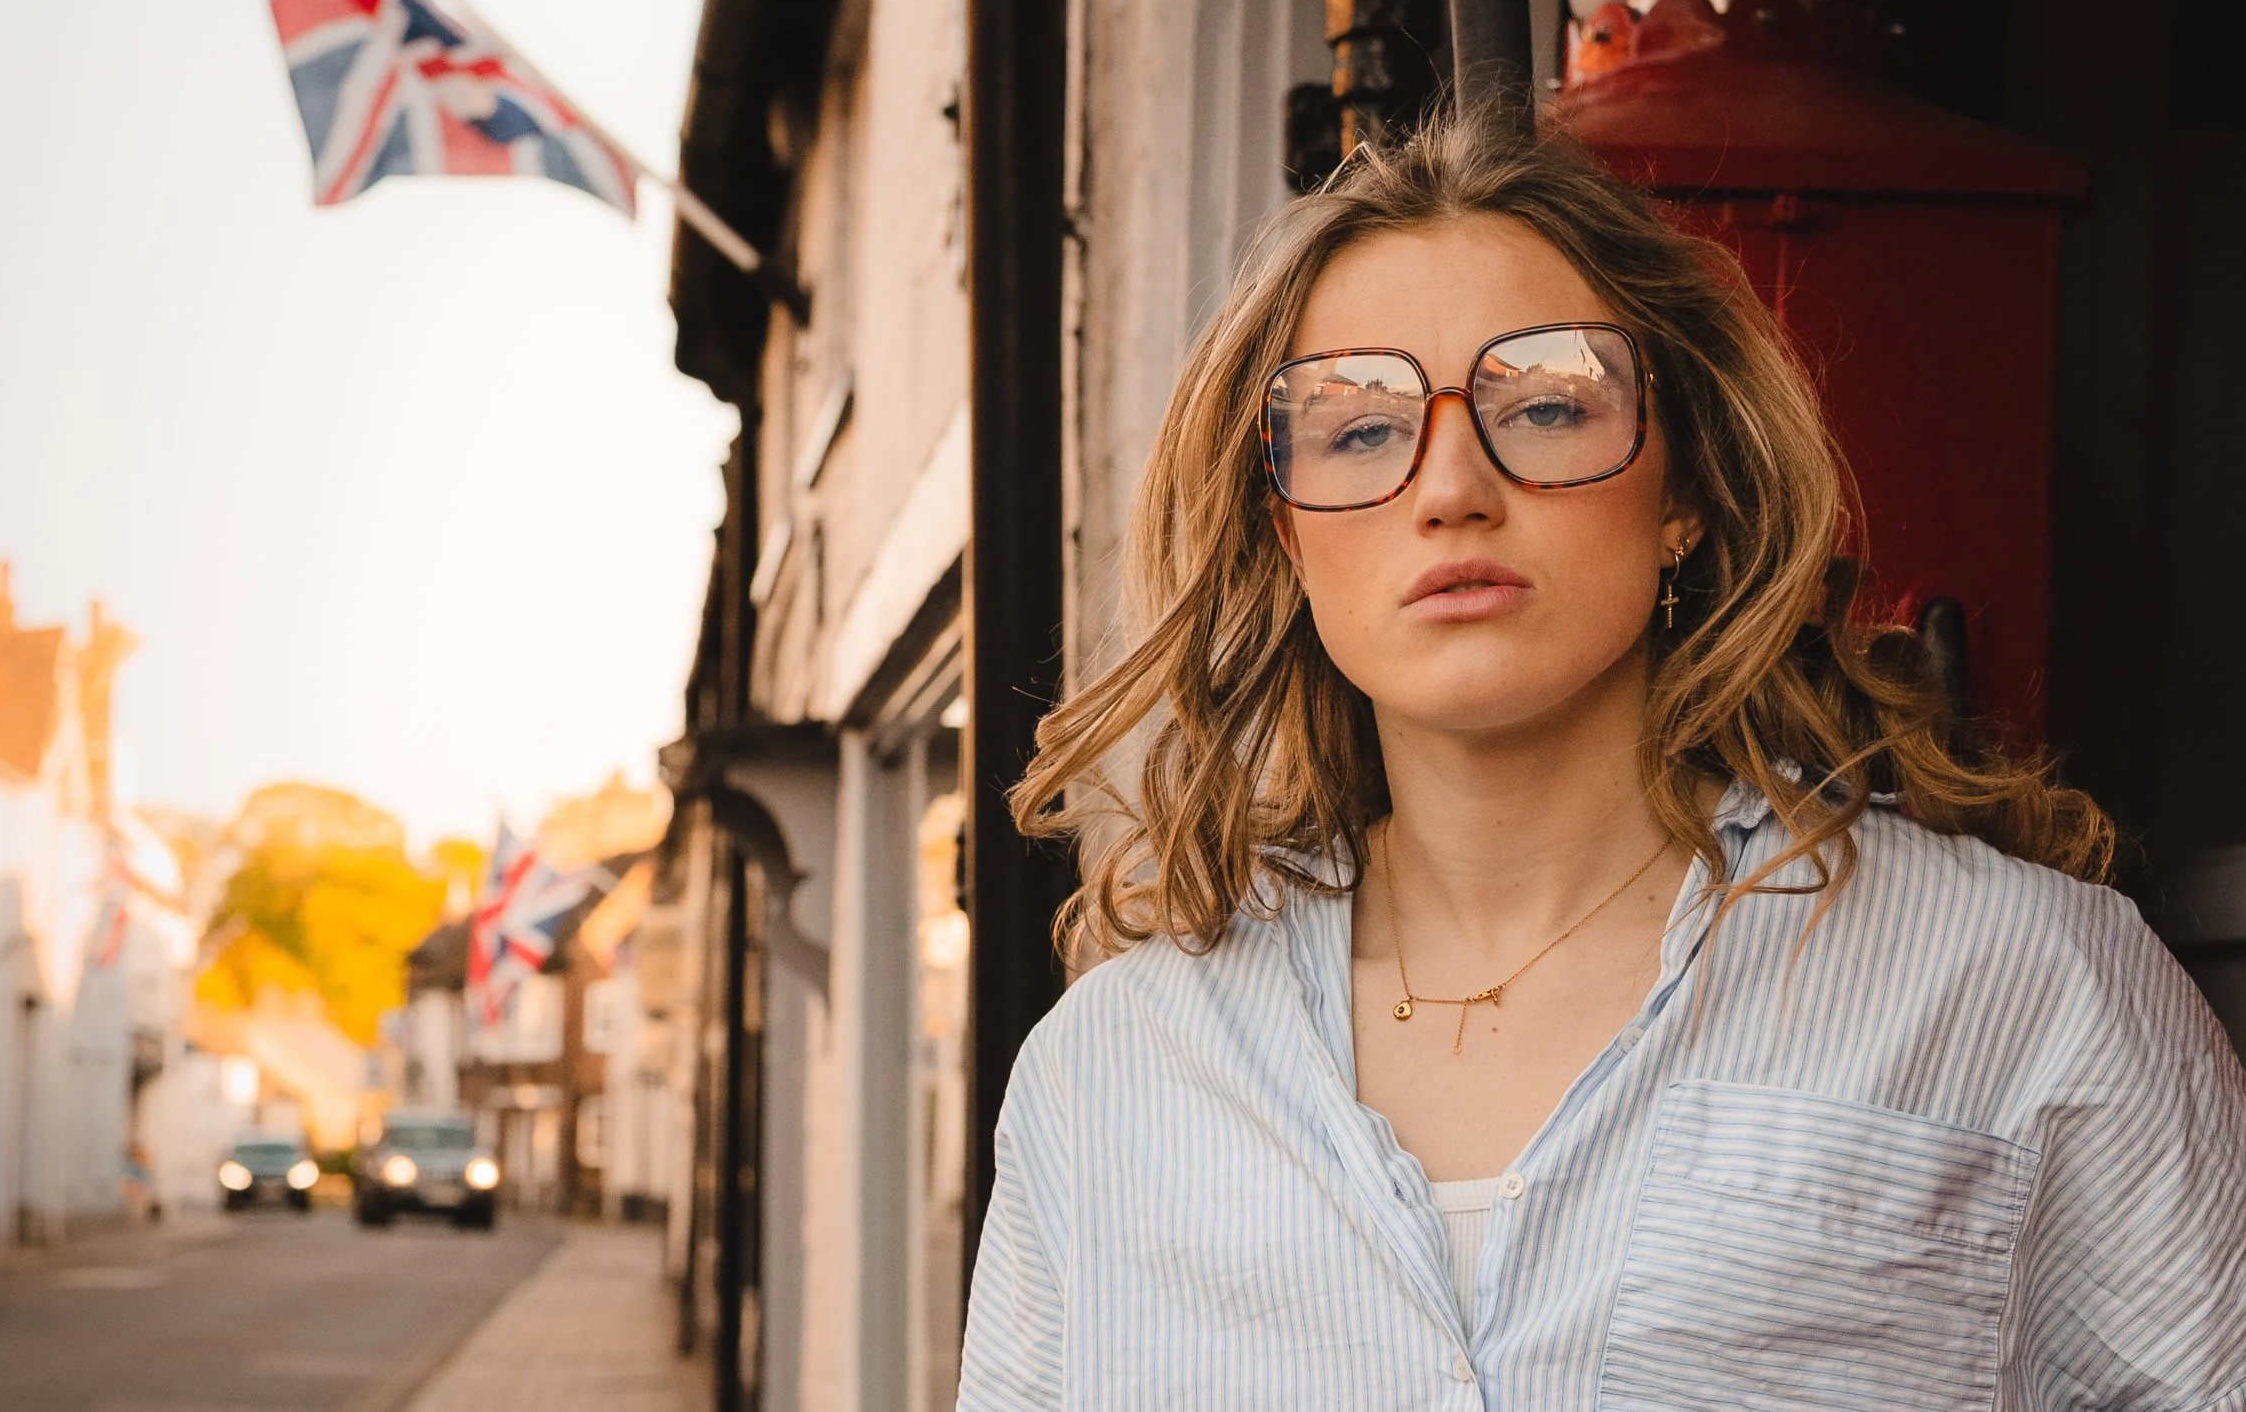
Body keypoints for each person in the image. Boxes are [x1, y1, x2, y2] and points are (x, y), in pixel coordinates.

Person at [956, 112, 2246, 1409]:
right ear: (1288, 534)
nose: (1451, 484)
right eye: (1357, 429)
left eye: (1550, 404)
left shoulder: (2024, 990)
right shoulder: (1112, 1073)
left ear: (1681, 488)